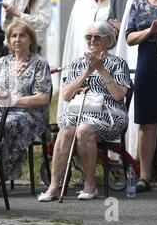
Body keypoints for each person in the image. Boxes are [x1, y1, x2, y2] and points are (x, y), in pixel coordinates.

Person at [38, 21, 131, 202]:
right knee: (65, 132)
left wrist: (101, 69)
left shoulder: (118, 63)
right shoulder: (77, 64)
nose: (92, 40)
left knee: (84, 130)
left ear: (108, 40)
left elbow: (119, 96)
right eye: (89, 37)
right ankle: (54, 186)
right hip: (78, 112)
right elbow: (65, 95)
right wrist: (87, 72)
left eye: (97, 37)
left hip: (109, 112)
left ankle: (90, 184)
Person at [0, 19, 51, 195]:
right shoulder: (2, 62)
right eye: (13, 36)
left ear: (31, 40)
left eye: (22, 35)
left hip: (29, 115)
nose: (17, 39)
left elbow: (42, 98)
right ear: (9, 40)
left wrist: (12, 101)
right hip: (0, 110)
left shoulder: (39, 63)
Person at [126, 0, 157, 193]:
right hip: (148, 63)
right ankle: (145, 175)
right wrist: (150, 31)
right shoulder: (138, 1)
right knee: (147, 122)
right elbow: (129, 38)